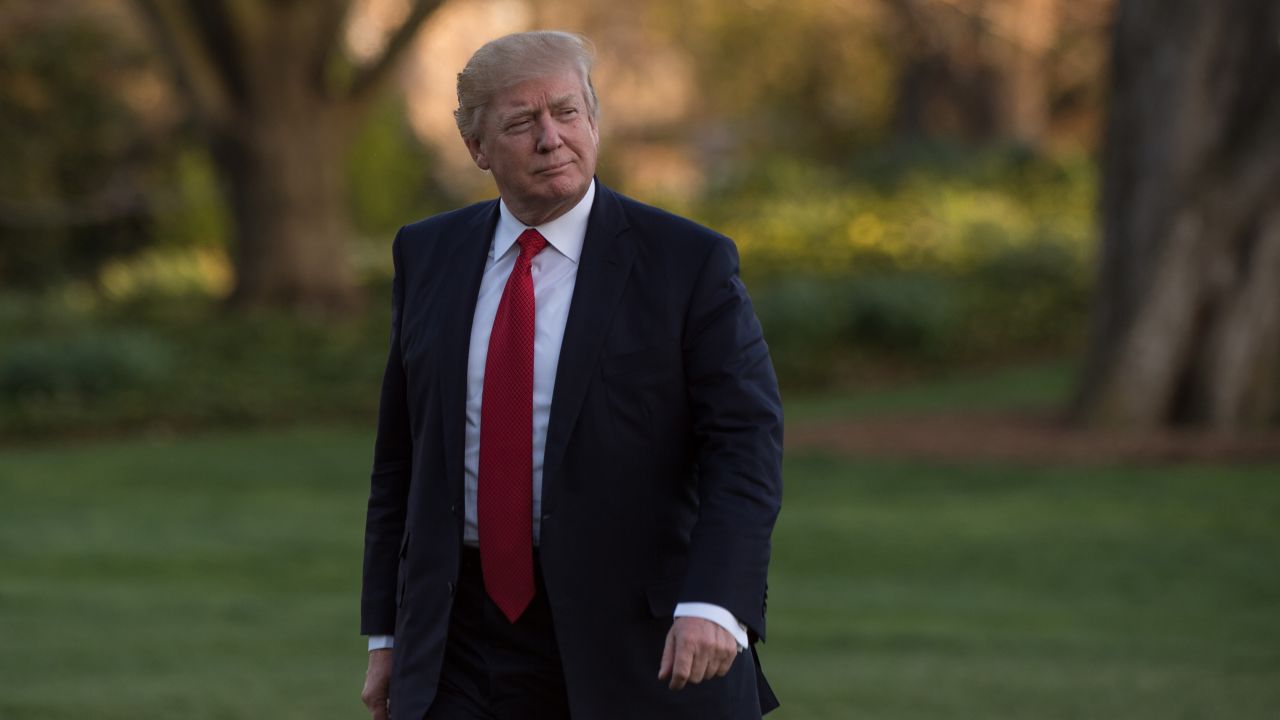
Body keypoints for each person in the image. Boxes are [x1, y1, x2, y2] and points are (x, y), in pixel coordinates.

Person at [359, 30, 783, 720]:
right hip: (461, 637)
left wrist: (716, 601)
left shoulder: (686, 262)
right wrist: (387, 633)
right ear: (476, 148)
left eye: (566, 112)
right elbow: (400, 458)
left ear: (594, 120)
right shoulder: (427, 253)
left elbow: (745, 443)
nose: (550, 138)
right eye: (521, 123)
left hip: (639, 635)